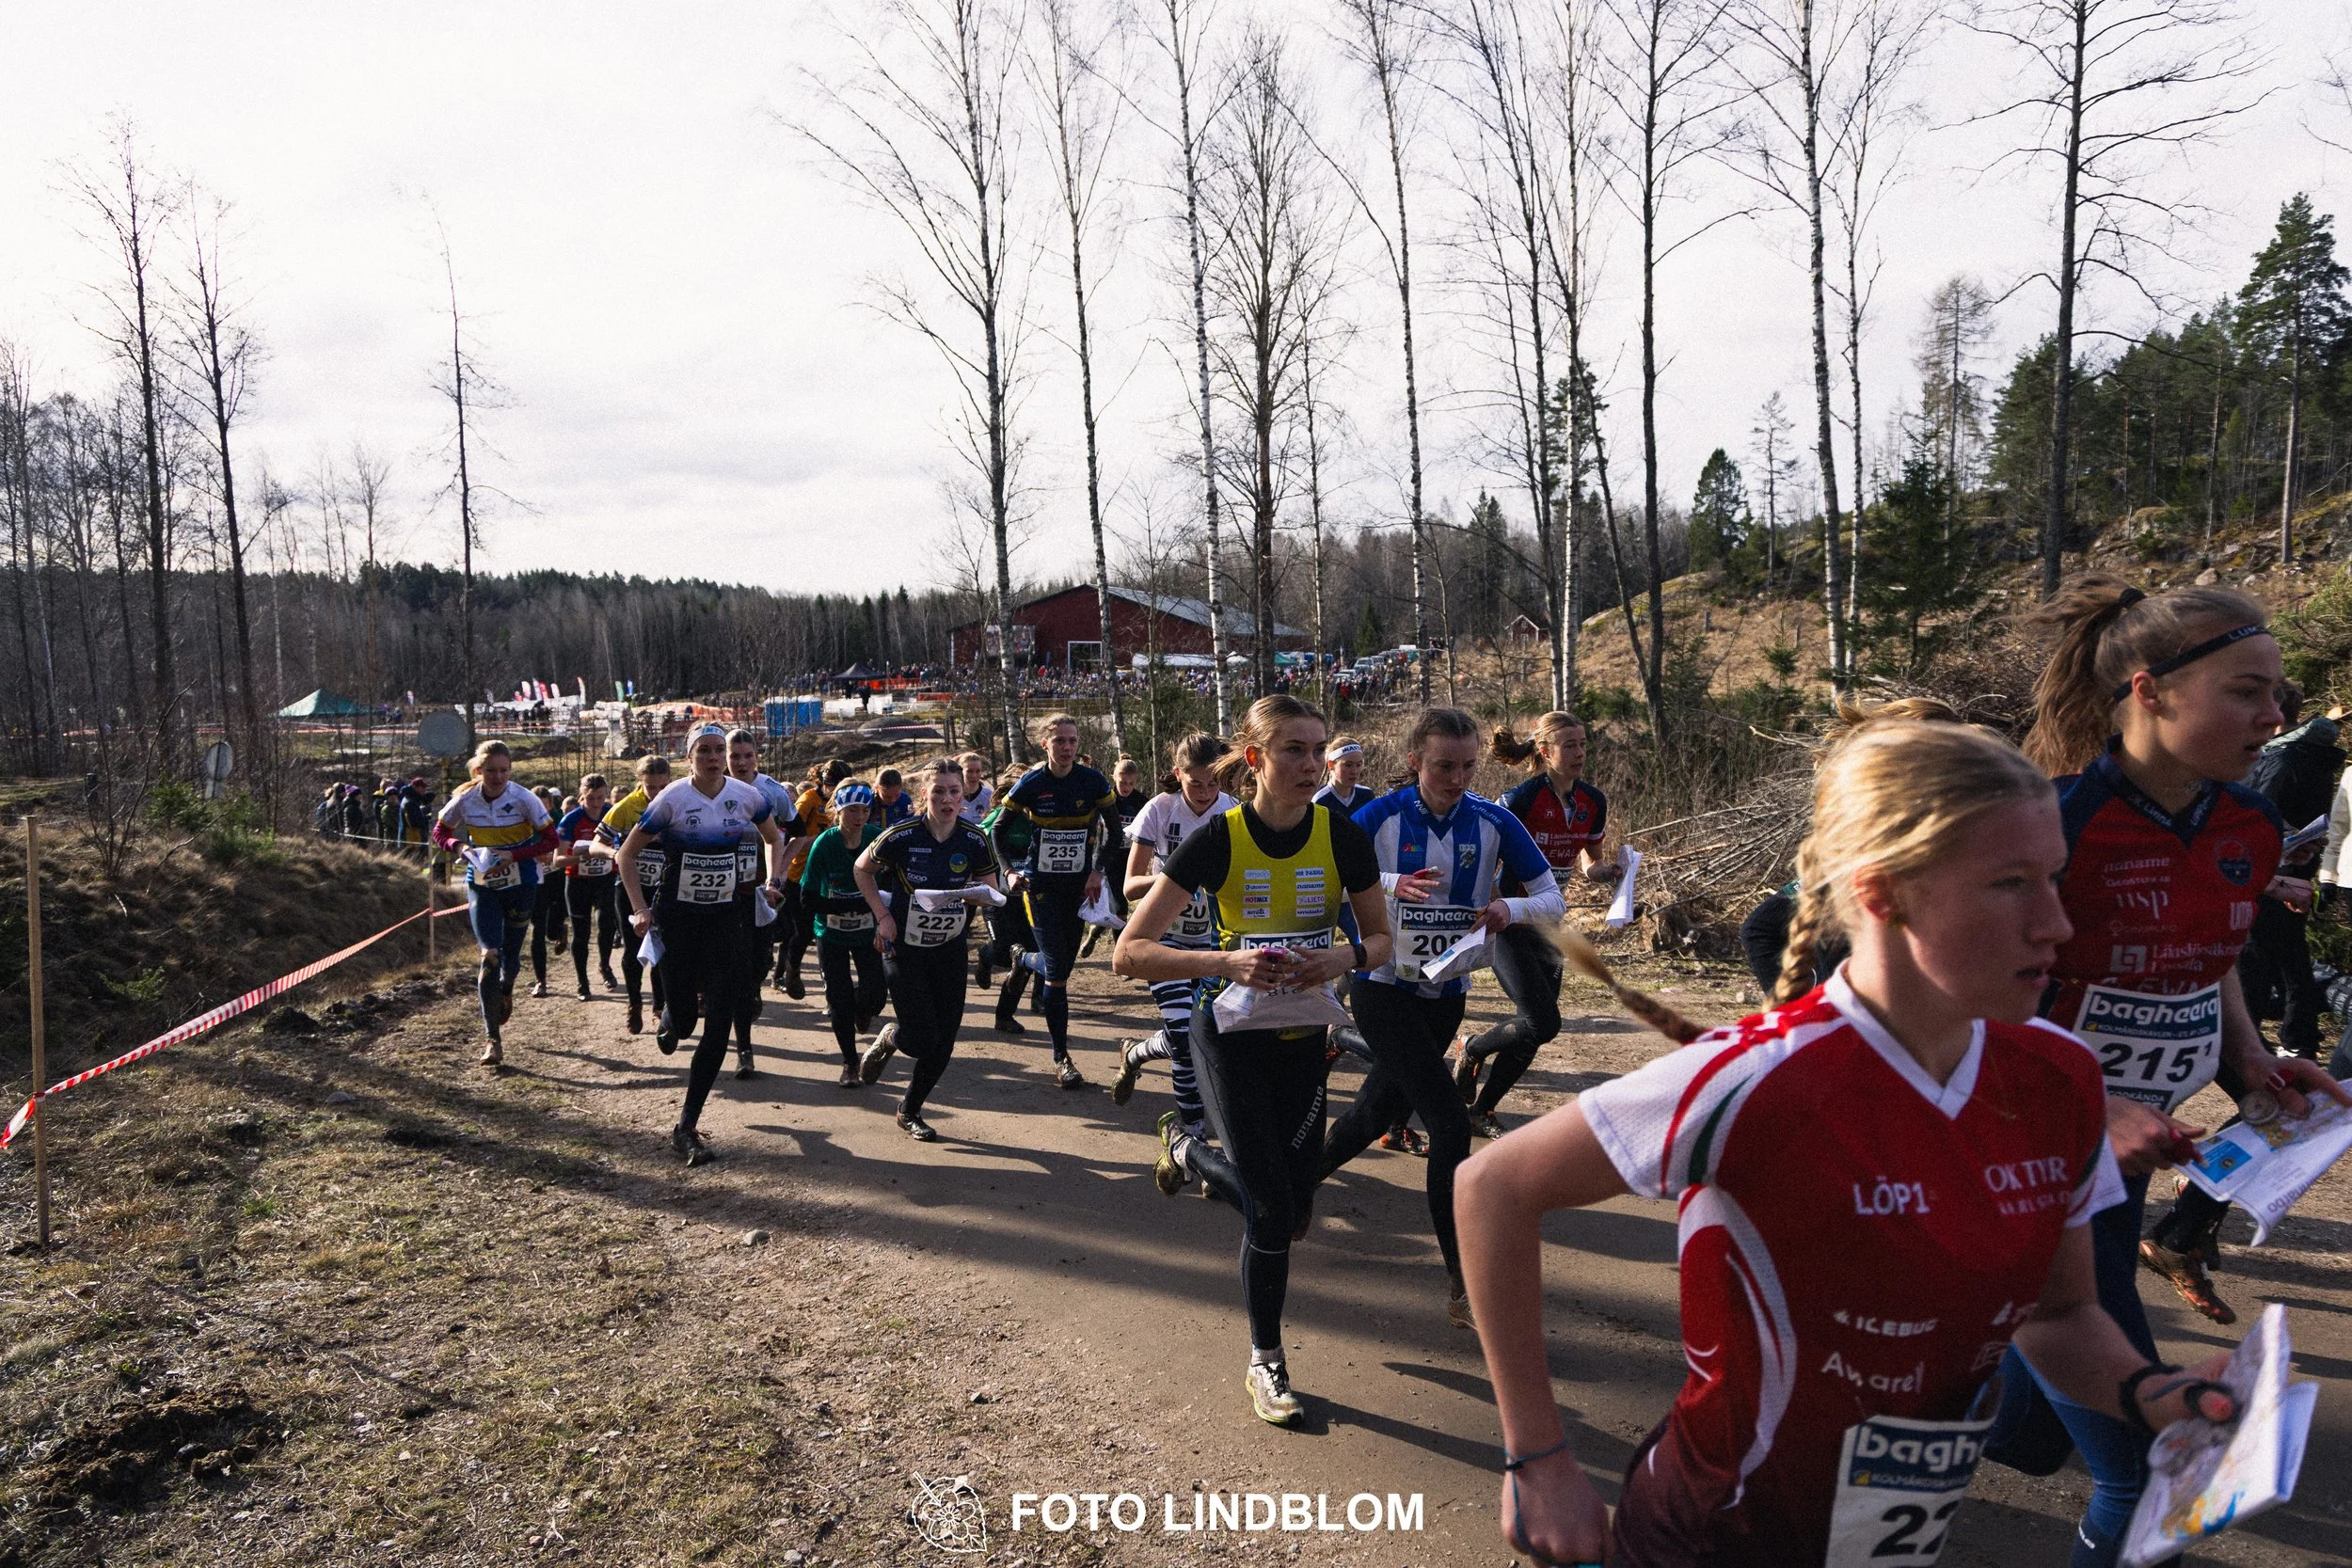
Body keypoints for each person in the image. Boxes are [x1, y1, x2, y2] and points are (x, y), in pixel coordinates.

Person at [1457, 705, 2242, 1568]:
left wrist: (2151, 1391)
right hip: (1708, 1541)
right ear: (1881, 891)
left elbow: (2059, 1313)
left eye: (2055, 880)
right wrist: (1537, 1455)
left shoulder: (2061, 1075)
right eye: (2011, 884)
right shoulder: (1759, 1076)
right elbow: (1493, 1184)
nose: (2057, 923)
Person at [1984, 575, 2347, 1568]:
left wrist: (2249, 1060)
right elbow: (1957, 1000)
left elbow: (2213, 947)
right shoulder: (2052, 823)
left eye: (2278, 690)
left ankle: (1907, 1419)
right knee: (2149, 1464)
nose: (2274, 714)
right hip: (2028, 1153)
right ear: (2148, 690)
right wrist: (2092, 1105)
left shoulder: (2248, 827)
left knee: (2025, 1424)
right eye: (2245, 689)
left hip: (2133, 1147)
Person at [1116, 695, 1391, 1426]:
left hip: (1304, 1038)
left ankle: (1182, 1143)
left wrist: (1339, 956)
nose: (1312, 764)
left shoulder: (1343, 835)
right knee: (1268, 1213)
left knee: (1295, 1214)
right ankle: (1266, 1360)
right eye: (1296, 750)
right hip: (1226, 1033)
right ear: (1257, 759)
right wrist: (1226, 960)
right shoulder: (1218, 838)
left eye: (1318, 748)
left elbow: (1382, 941)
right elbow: (1129, 952)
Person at [1321, 707, 1563, 1328]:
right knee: (1450, 1125)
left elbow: (1552, 896)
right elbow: (1323, 873)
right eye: (1442, 766)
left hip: (1445, 991)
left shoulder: (1493, 820)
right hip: (1381, 988)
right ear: (1414, 762)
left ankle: (1295, 1188)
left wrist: (1509, 906)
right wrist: (1391, 883)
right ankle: (1463, 1282)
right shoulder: (1378, 815)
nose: (1456, 778)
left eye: (1466, 766)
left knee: (1376, 1111)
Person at [615, 724, 789, 1166]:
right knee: (688, 1023)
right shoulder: (672, 798)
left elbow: (774, 837)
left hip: (727, 919)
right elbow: (626, 855)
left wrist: (773, 880)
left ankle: (686, 1125)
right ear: (689, 756)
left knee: (721, 1020)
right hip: (678, 919)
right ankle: (673, 1014)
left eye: (719, 750)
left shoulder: (746, 796)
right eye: (704, 751)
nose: (714, 757)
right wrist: (639, 909)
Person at [1454, 713, 1619, 1139]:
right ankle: (1472, 1049)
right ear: (1544, 751)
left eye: (1583, 743)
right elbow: (1481, 852)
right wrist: (1491, 899)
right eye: (1569, 745)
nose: (1580, 752)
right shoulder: (1520, 799)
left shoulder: (1593, 801)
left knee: (1534, 1031)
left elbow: (1588, 860)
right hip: (1509, 923)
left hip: (1550, 926)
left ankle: (1482, 1110)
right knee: (1543, 1021)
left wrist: (1607, 872)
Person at [853, 759, 1002, 1141]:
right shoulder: (902, 835)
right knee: (920, 1038)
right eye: (939, 791)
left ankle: (910, 1110)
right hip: (903, 946)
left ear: (963, 797)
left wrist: (976, 894)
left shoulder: (973, 838)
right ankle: (891, 1038)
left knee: (944, 1041)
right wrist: (882, 916)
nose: (947, 799)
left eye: (954, 791)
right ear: (925, 795)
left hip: (949, 947)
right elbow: (861, 869)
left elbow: (990, 884)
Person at [1108, 734, 1234, 1130]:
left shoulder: (1235, 812)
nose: (1205, 792)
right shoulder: (1159, 809)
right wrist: (1176, 881)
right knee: (1183, 1036)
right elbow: (1129, 887)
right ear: (1177, 773)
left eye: (1213, 782)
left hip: (1214, 945)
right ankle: (1192, 1136)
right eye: (1195, 782)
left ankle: (1135, 1054)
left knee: (1206, 1039)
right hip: (1163, 941)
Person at [990, 715, 1120, 1088]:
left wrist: (1098, 872)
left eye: (1072, 741)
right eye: (1059, 740)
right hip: (1040, 886)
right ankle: (1062, 1058)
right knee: (1058, 972)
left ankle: (1021, 958)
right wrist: (1011, 871)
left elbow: (1115, 833)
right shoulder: (1032, 783)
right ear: (1045, 745)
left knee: (1061, 961)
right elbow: (998, 829)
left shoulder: (1093, 781)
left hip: (1079, 887)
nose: (1066, 747)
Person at [430, 740, 559, 1067]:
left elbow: (551, 840)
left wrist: (513, 855)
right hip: (483, 884)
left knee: (511, 958)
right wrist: (459, 847)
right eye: (491, 771)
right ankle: (492, 1041)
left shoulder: (523, 798)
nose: (498, 777)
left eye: (504, 771)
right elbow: (439, 832)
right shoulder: (466, 799)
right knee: (490, 954)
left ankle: (506, 987)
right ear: (478, 771)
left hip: (521, 882)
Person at [726, 729, 806, 1080]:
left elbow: (798, 832)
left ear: (757, 756)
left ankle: (756, 984)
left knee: (758, 961)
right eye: (735, 756)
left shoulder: (772, 791)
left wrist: (781, 869)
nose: (742, 763)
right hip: (722, 892)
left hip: (760, 889)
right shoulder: (710, 788)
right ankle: (744, 1048)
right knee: (734, 970)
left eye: (748, 756)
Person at [801, 780, 889, 1088]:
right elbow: (807, 898)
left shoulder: (877, 839)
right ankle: (850, 1062)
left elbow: (893, 882)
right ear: (838, 810)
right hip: (831, 932)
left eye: (865, 809)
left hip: (868, 931)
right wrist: (839, 905)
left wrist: (880, 914)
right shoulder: (824, 844)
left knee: (876, 994)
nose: (860, 816)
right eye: (852, 809)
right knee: (838, 1001)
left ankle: (862, 1013)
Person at [595, 754, 675, 1035]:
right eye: (650, 787)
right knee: (633, 948)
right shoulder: (626, 807)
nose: (656, 793)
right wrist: (616, 853)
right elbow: (596, 844)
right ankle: (634, 1004)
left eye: (662, 787)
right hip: (630, 886)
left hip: (665, 887)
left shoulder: (676, 802)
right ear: (640, 783)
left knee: (661, 950)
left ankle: (658, 1007)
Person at [779, 759, 851, 996]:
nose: (836, 792)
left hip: (828, 876)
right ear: (823, 783)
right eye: (833, 786)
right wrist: (818, 842)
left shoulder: (846, 803)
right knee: (803, 929)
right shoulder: (809, 800)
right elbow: (789, 836)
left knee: (826, 930)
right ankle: (792, 969)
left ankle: (833, 984)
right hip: (798, 875)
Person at [556, 773, 622, 999]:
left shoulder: (611, 814)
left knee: (606, 923)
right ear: (582, 796)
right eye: (590, 798)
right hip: (577, 881)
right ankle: (582, 982)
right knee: (581, 933)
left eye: (600, 798)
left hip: (605, 879)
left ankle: (604, 965)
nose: (595, 804)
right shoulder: (571, 820)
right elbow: (558, 860)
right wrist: (582, 857)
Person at [1082, 754, 1152, 958]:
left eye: (1131, 783)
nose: (1126, 787)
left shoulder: (1141, 802)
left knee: (1119, 908)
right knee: (1119, 908)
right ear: (1114, 777)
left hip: (1128, 856)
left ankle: (1097, 932)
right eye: (1122, 782)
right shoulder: (1106, 798)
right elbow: (1091, 823)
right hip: (1104, 856)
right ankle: (1121, 955)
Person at [525, 785, 571, 998]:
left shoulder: (559, 819)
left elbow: (565, 843)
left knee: (551, 930)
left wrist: (552, 853)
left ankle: (560, 930)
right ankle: (540, 981)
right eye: (535, 808)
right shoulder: (522, 822)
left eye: (543, 808)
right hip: (536, 879)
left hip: (557, 877)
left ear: (551, 805)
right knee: (538, 930)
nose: (539, 814)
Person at [1313, 736, 1375, 814]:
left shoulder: (1366, 795)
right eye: (1348, 765)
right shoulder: (1320, 801)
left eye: (1358, 765)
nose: (1354, 771)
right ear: (1331, 765)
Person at [957, 752, 994, 825]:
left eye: (978, 771)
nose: (974, 775)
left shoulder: (989, 795)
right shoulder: (954, 795)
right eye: (970, 771)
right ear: (961, 771)